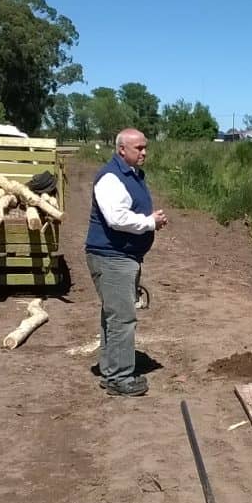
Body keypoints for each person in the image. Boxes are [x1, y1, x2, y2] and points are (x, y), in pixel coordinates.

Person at [85, 128, 168, 397]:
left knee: (114, 315)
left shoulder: (129, 174)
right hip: (112, 257)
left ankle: (112, 371)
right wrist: (149, 222)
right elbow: (117, 218)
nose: (144, 152)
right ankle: (120, 377)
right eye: (138, 148)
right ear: (122, 149)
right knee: (122, 318)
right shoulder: (111, 178)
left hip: (120, 257)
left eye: (145, 147)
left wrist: (149, 219)